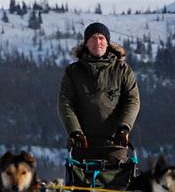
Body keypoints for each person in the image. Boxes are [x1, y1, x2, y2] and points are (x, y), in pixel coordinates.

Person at [57, 22, 140, 163]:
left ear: (107, 42)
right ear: (86, 44)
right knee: (80, 184)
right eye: (93, 38)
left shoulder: (122, 70)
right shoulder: (73, 72)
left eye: (101, 38)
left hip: (115, 144)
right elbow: (65, 103)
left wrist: (124, 128)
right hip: (82, 144)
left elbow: (132, 100)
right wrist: (75, 132)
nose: (98, 42)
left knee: (116, 184)